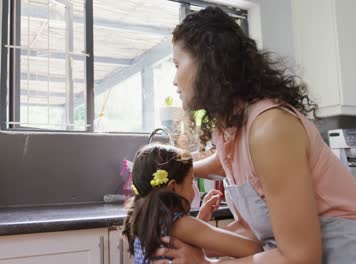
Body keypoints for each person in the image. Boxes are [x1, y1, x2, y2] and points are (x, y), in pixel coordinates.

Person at [152, 6, 356, 264]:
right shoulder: (230, 129)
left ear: (208, 62)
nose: (174, 80)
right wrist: (178, 167)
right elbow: (223, 166)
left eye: (177, 64)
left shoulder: (270, 129)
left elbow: (300, 258)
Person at [122, 143, 262, 264]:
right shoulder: (180, 225)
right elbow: (253, 249)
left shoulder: (142, 219)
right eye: (191, 183)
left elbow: (182, 242)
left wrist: (201, 220)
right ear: (173, 187)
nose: (194, 191)